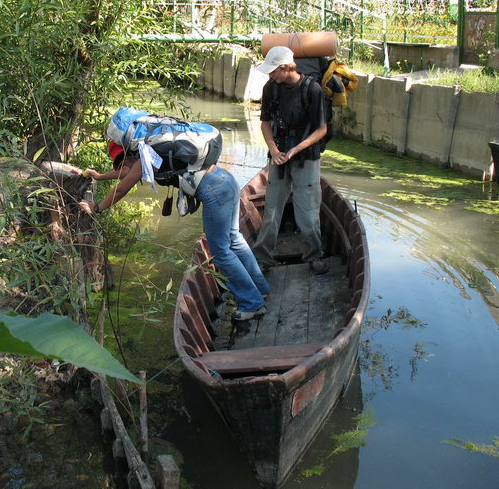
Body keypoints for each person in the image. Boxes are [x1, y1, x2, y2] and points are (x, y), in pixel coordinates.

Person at [80, 134, 269, 321]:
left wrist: (96, 208)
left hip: (215, 192)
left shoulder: (145, 155)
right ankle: (260, 290)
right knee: (234, 239)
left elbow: (121, 188)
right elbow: (128, 172)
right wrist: (100, 176)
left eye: (122, 160)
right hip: (226, 180)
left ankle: (252, 303)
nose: (122, 165)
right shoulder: (152, 148)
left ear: (129, 152)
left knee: (220, 251)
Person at [253, 45, 329, 276]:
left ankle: (314, 256)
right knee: (271, 211)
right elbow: (265, 122)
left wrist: (296, 149)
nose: (271, 75)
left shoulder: (312, 89)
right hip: (278, 158)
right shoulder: (271, 88)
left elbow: (321, 129)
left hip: (305, 157)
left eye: (274, 70)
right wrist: (274, 150)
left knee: (307, 213)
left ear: (287, 67)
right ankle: (263, 258)